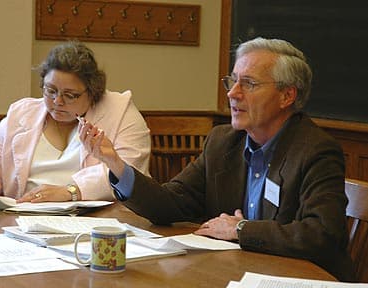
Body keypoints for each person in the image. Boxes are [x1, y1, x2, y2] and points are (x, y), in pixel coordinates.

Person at [79, 37, 354, 281]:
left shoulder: (315, 150)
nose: (233, 93)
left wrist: (243, 229)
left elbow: (323, 236)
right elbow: (170, 203)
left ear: (287, 95)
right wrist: (114, 162)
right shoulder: (223, 142)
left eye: (249, 83)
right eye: (233, 81)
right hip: (240, 273)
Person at [0, 41, 150, 202]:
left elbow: (129, 172)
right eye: (50, 90)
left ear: (93, 91)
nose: (57, 101)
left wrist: (70, 192)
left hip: (97, 221)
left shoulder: (120, 112)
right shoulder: (21, 112)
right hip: (23, 218)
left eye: (70, 95)